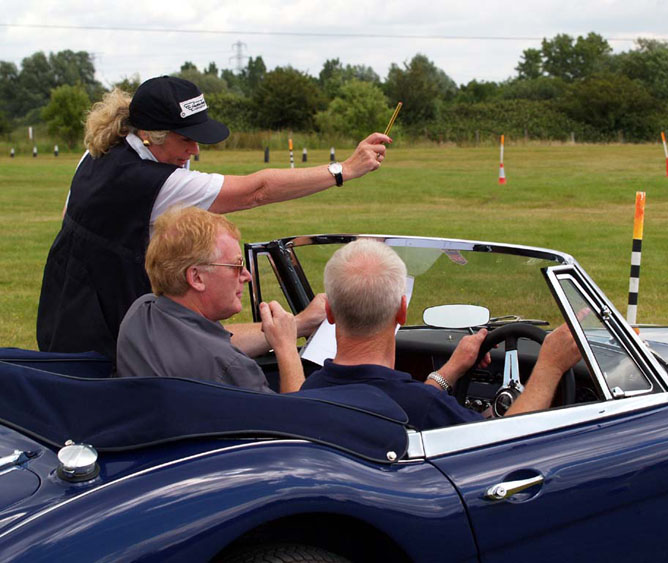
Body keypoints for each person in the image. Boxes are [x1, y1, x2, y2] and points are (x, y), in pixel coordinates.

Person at [37, 75, 390, 359]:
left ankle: (300, 323)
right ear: (150, 135)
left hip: (63, 319)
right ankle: (299, 324)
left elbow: (70, 215)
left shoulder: (99, 153)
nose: (194, 150)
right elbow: (257, 190)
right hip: (104, 346)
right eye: (185, 139)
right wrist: (344, 169)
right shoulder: (154, 183)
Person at [301, 239, 582, 430]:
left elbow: (399, 397)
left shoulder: (310, 392)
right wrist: (549, 366)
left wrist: (449, 371)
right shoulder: (422, 407)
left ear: (329, 312)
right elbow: (511, 443)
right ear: (402, 311)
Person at [116, 206, 324, 393]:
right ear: (197, 277)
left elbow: (210, 340)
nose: (247, 276)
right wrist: (287, 349)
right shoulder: (232, 368)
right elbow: (296, 421)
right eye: (236, 266)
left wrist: (300, 323)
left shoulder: (141, 313)